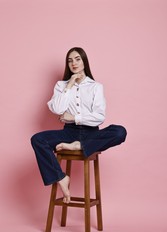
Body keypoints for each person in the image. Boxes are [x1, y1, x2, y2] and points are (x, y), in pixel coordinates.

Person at [31, 47, 127, 204]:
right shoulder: (61, 86)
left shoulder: (96, 86)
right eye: (70, 61)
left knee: (120, 132)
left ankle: (79, 145)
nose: (73, 63)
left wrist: (75, 117)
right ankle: (60, 177)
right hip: (68, 133)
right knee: (37, 139)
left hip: (92, 134)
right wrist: (69, 85)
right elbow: (57, 109)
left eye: (77, 59)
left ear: (84, 61)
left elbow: (99, 118)